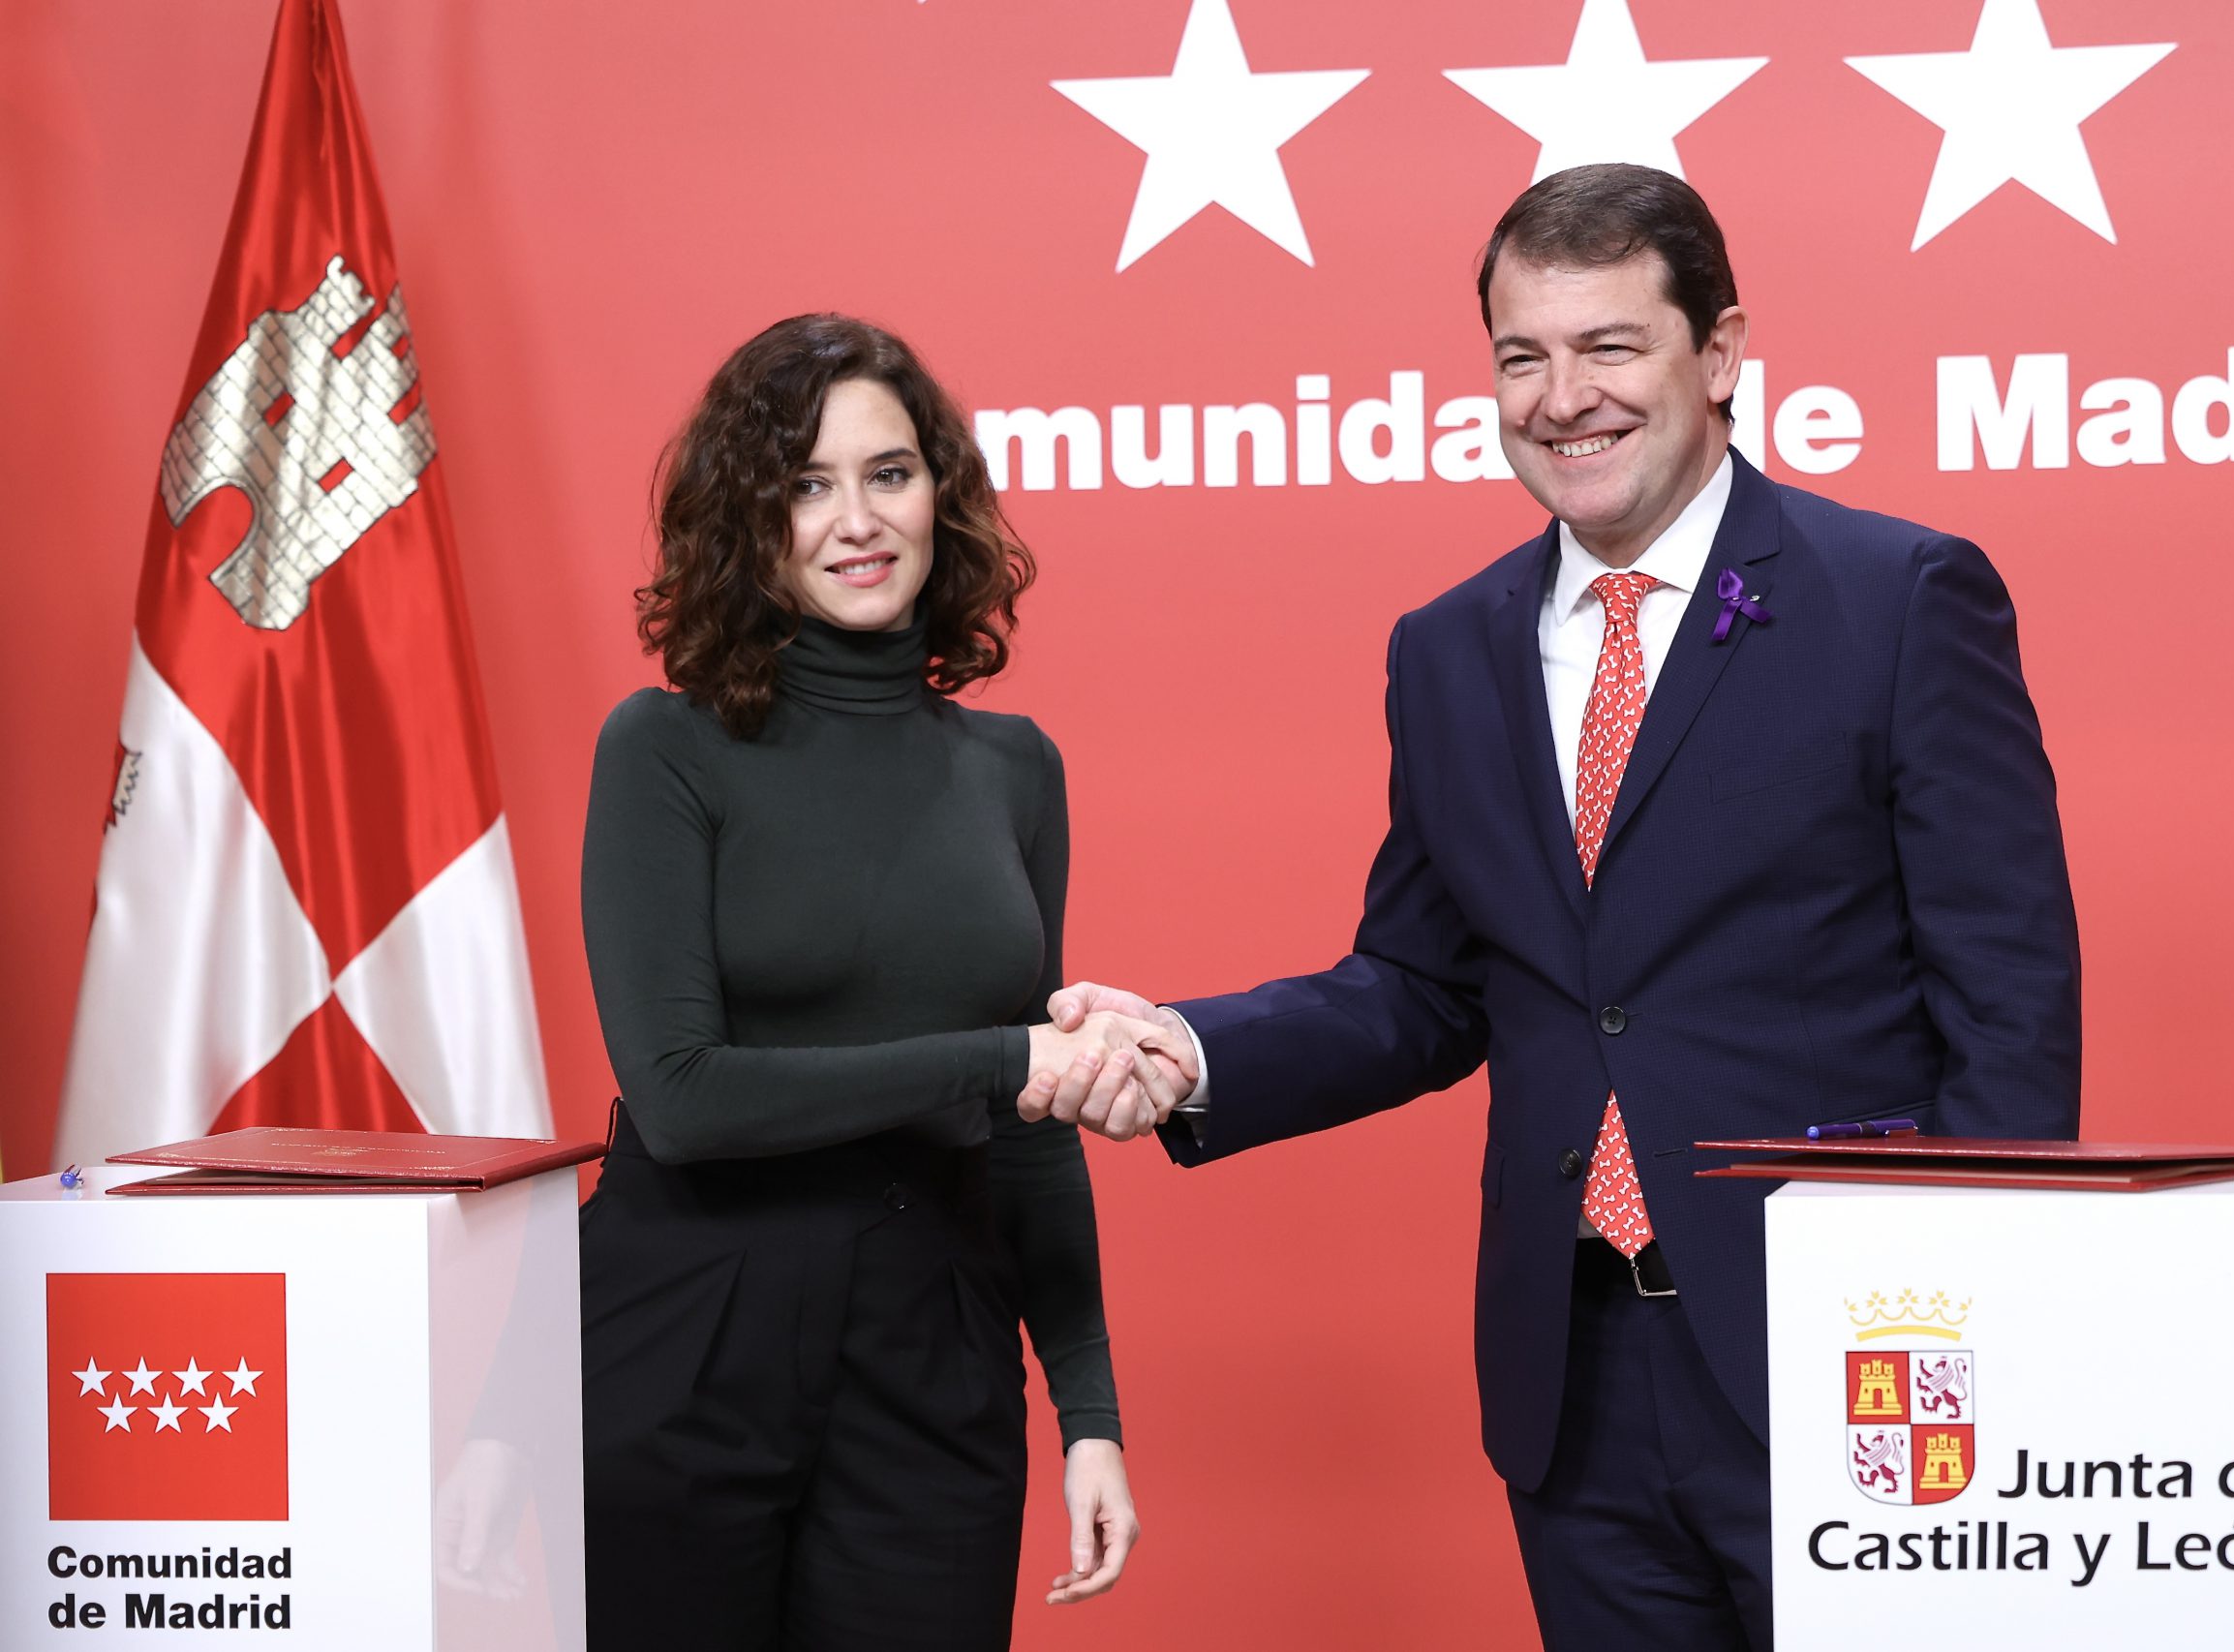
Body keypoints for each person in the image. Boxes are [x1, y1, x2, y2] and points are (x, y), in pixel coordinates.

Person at [1025, 165, 2080, 1651]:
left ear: (1718, 355)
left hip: (1861, 1351)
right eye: (1522, 355)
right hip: (1571, 1383)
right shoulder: (1445, 648)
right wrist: (1192, 1049)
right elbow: (1425, 983)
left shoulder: (1900, 595)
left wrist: (1988, 1321)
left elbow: (2011, 999)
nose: (1561, 396)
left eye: (1609, 346)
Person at [578, 314, 1179, 1650]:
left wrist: (1088, 1412)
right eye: (807, 483)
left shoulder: (1015, 766)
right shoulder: (664, 749)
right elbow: (681, 1098)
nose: (857, 519)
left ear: (941, 493)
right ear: (749, 519)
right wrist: (995, 1060)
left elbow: (1032, 1134)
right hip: (686, 1333)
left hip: (932, 1348)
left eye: (890, 473)